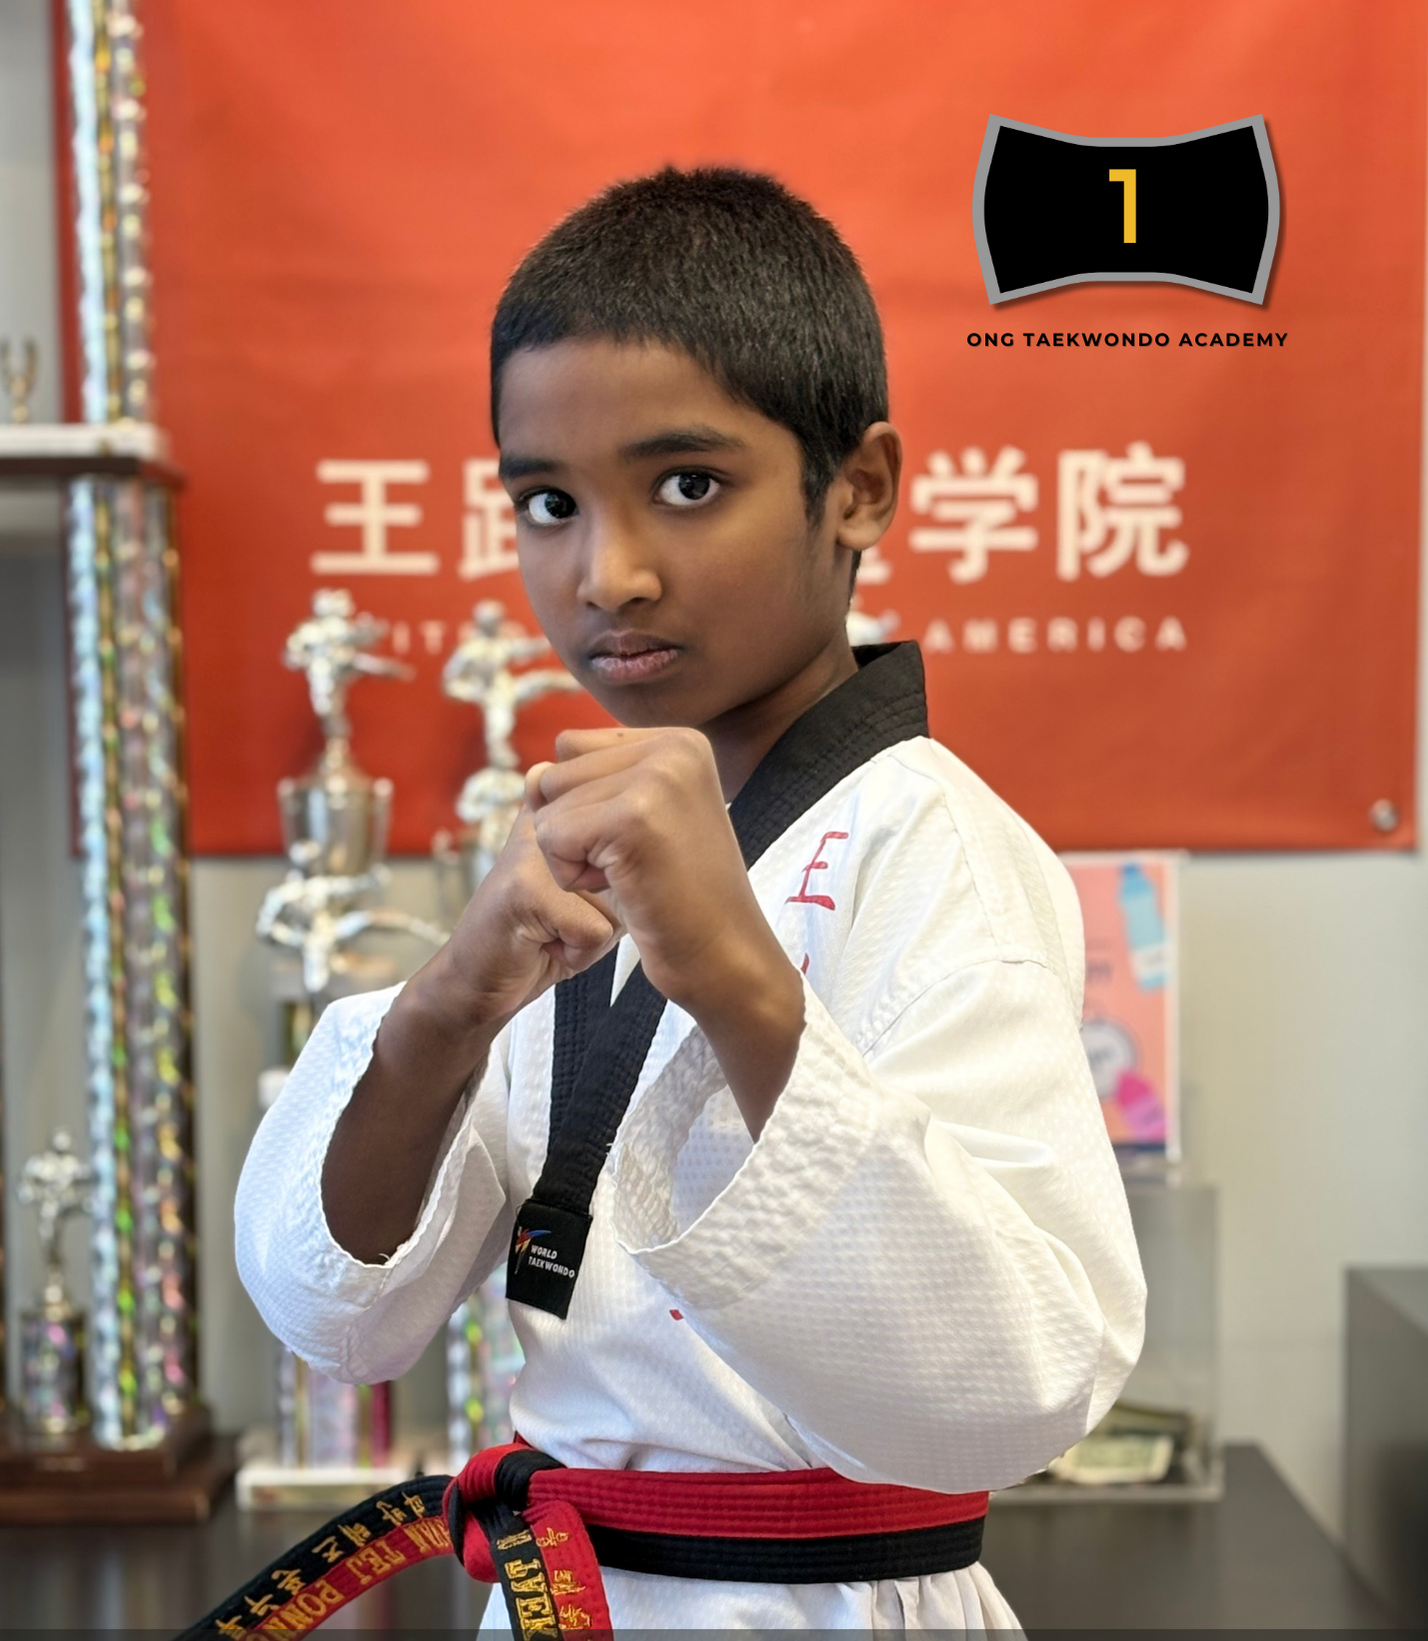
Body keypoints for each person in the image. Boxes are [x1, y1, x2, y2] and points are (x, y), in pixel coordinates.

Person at [236, 166, 1145, 1634]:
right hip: (566, 1592)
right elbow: (344, 1312)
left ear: (858, 487)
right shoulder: (576, 842)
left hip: (833, 1603)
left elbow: (1014, 1381)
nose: (611, 573)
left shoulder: (936, 850)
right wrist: (443, 1010)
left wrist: (744, 988)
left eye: (687, 485)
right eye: (548, 501)